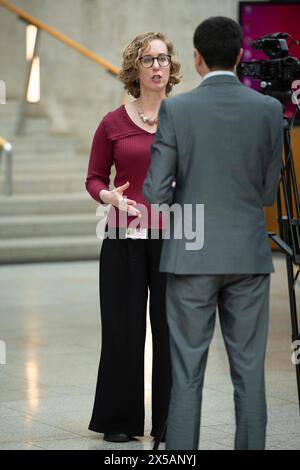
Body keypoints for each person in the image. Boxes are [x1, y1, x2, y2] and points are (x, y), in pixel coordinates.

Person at [144, 16, 283, 450]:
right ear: (241, 55)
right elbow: (266, 193)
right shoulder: (270, 110)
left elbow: (154, 192)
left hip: (190, 256)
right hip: (247, 256)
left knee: (186, 374)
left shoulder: (177, 108)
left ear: (198, 58)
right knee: (249, 373)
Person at [85, 32, 181, 443]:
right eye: (148, 59)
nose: (157, 66)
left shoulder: (184, 117)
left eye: (163, 59)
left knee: (170, 331)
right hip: (123, 235)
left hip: (173, 236)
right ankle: (120, 421)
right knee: (123, 330)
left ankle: (170, 422)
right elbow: (92, 178)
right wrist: (108, 196)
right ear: (135, 68)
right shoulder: (112, 122)